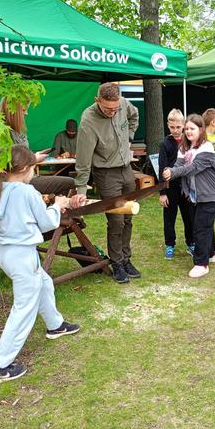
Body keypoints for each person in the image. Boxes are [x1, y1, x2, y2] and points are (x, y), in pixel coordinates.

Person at [0, 145, 81, 387]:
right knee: (23, 310)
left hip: (10, 254)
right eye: (34, 167)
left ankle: (55, 325)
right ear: (24, 168)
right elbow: (46, 223)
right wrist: (58, 205)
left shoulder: (0, 189)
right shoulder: (28, 192)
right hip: (22, 257)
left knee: (43, 283)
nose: (36, 172)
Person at [73, 83, 141, 283]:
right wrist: (81, 189)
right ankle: (117, 262)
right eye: (107, 109)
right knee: (116, 220)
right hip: (106, 174)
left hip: (126, 169)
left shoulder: (124, 104)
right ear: (97, 101)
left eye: (115, 108)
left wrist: (129, 135)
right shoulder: (88, 120)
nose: (112, 112)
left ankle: (126, 259)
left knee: (128, 216)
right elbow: (83, 160)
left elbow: (134, 114)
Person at [163, 114, 215, 278]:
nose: (188, 132)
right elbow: (179, 165)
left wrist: (172, 172)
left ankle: (201, 264)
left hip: (210, 193)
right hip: (195, 193)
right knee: (204, 225)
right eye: (187, 128)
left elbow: (193, 168)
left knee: (200, 228)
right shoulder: (184, 148)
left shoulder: (207, 148)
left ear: (201, 129)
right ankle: (211, 254)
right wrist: (169, 171)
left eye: (192, 128)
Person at [0, 97, 75, 196]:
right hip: (15, 182)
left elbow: (20, 156)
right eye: (24, 110)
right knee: (69, 183)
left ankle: (50, 207)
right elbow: (9, 165)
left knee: (70, 182)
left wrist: (34, 155)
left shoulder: (17, 130)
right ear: (12, 111)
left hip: (28, 177)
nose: (26, 113)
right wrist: (34, 159)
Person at [159, 109, 194, 260]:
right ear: (168, 125)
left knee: (189, 217)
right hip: (170, 187)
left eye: (178, 127)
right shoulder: (165, 144)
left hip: (186, 186)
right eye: (172, 127)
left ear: (184, 125)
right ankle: (169, 245)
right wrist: (162, 193)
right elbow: (161, 168)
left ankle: (191, 243)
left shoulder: (190, 141)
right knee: (169, 217)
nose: (175, 130)